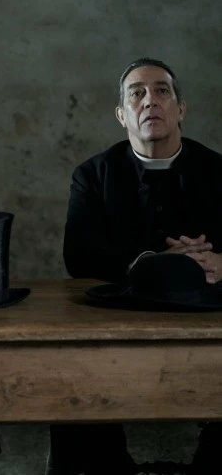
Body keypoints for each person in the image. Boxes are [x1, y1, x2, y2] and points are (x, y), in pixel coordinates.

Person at [51, 58, 222, 475]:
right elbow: (78, 255)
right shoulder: (92, 174)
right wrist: (157, 264)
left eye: (162, 91)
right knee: (70, 376)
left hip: (209, 313)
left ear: (180, 109)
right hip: (117, 313)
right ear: (121, 114)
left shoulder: (218, 170)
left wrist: (220, 260)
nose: (150, 101)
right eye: (137, 94)